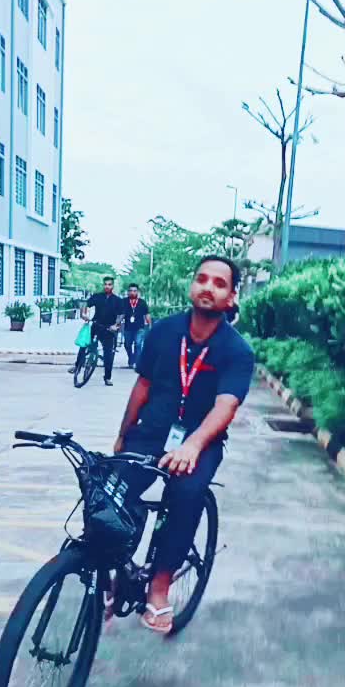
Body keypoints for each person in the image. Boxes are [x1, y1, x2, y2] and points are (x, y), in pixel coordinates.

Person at [113, 255, 255, 634]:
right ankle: (118, 567)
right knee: (111, 489)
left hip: (201, 441)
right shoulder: (163, 332)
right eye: (202, 279)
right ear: (192, 286)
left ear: (231, 297)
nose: (208, 287)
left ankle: (159, 586)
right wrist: (123, 435)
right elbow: (143, 386)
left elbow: (226, 405)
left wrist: (192, 445)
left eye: (219, 283)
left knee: (186, 493)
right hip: (152, 432)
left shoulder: (237, 351)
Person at [69, 277, 123, 386]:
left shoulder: (117, 300)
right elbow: (85, 304)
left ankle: (107, 377)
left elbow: (120, 315)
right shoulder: (97, 296)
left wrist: (116, 325)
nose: (107, 286)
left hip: (109, 329)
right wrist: (83, 314)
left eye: (109, 284)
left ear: (112, 286)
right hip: (96, 325)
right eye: (105, 284)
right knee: (84, 345)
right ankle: (77, 366)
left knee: (108, 354)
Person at [121, 283, 151, 369]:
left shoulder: (142, 302)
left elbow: (147, 315)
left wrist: (150, 326)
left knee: (138, 344)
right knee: (127, 345)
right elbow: (121, 314)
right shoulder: (124, 302)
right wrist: (117, 323)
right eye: (130, 291)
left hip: (139, 328)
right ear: (128, 292)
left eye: (134, 291)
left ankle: (137, 363)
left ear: (137, 292)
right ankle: (131, 359)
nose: (132, 292)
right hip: (128, 328)